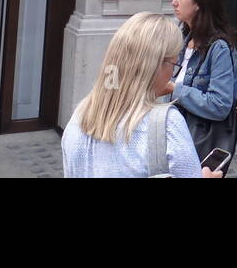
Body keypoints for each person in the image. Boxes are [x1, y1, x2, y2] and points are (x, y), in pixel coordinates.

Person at [63, 12, 222, 178]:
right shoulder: (167, 124)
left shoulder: (79, 118)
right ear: (156, 66)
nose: (172, 74)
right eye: (174, 64)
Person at [169, 0, 237, 170]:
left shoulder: (219, 48)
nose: (173, 2)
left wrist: (174, 88)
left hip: (199, 143)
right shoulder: (183, 38)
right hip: (177, 138)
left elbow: (220, 104)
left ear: (199, 4)